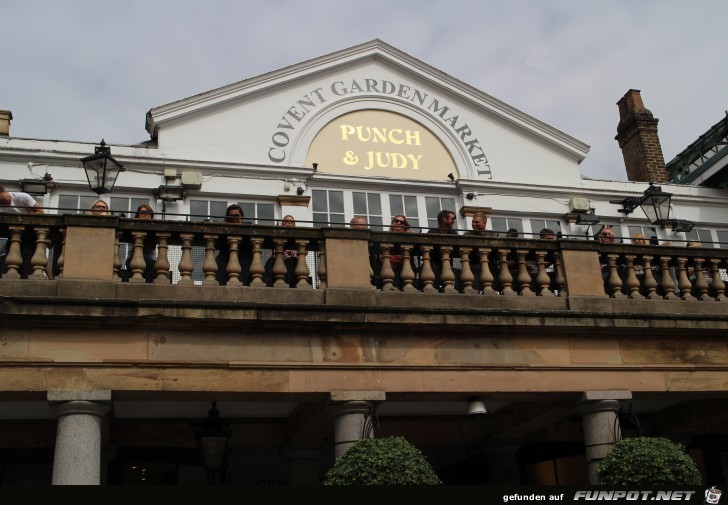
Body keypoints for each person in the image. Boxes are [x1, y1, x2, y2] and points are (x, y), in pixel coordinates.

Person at [0, 186, 46, 279]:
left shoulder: (21, 197)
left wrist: (23, 218)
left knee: (29, 261)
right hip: (14, 236)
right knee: (9, 260)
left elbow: (40, 212)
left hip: (31, 235)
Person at [216, 204, 251, 285]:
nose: (234, 219)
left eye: (236, 216)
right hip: (225, 265)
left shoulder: (249, 229)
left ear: (242, 217)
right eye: (231, 217)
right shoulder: (222, 231)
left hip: (244, 264)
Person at [124, 204, 158, 282]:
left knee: (151, 265)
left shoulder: (155, 227)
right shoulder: (133, 225)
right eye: (142, 212)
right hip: (133, 259)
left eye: (148, 212)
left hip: (150, 260)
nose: (145, 214)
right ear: (138, 215)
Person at [264, 214, 299, 287]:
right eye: (287, 221)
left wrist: (292, 254)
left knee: (293, 261)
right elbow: (272, 254)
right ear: (283, 224)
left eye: (291, 222)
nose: (289, 223)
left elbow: (300, 259)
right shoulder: (278, 235)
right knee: (271, 262)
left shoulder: (298, 238)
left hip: (291, 267)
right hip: (277, 263)